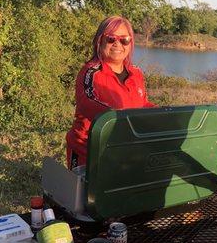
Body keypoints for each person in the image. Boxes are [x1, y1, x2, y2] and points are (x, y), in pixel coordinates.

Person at [66, 16, 155, 168]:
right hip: (88, 153)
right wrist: (121, 119)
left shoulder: (136, 73)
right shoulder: (90, 72)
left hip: (124, 151)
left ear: (131, 42)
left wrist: (163, 114)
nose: (117, 44)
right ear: (100, 40)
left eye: (124, 39)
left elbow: (143, 104)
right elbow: (87, 103)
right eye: (111, 38)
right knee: (85, 192)